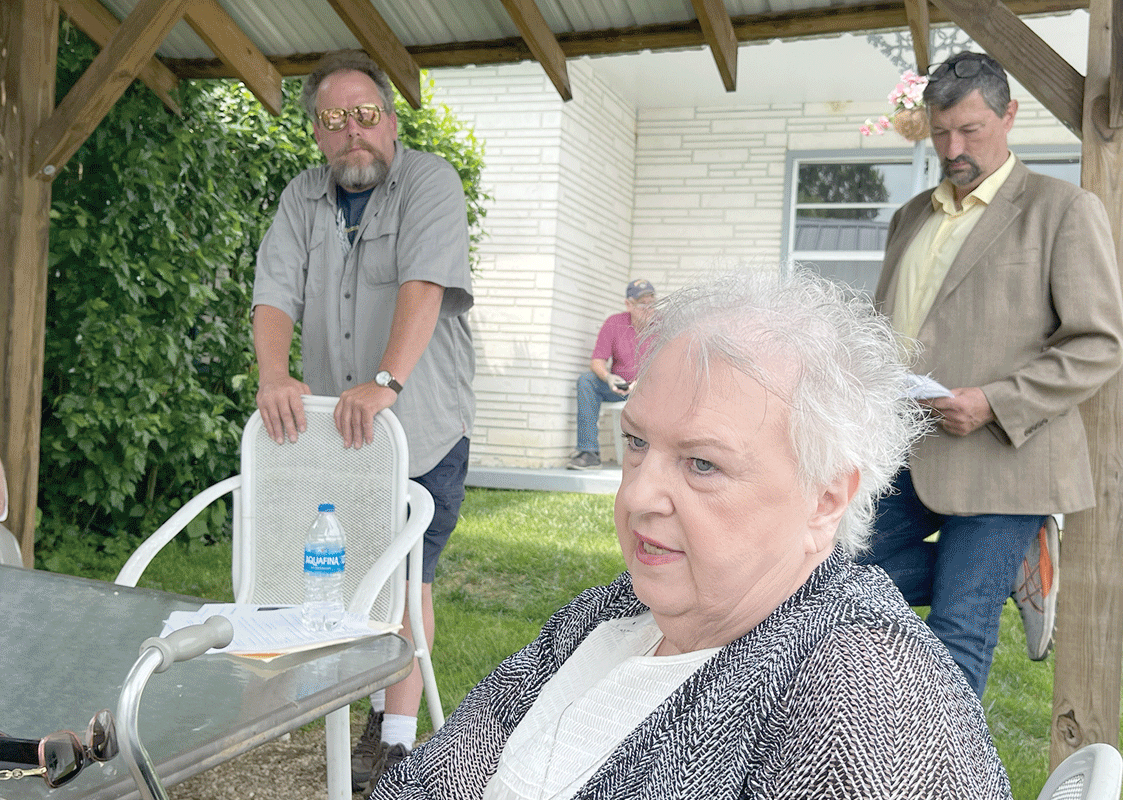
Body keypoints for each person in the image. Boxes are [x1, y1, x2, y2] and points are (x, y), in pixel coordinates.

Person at [371, 270, 1012, 800]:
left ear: (826, 500)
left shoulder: (870, 715)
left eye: (702, 463)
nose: (640, 496)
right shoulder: (611, 612)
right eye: (636, 443)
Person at [859, 51, 1123, 698]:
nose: (953, 147)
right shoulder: (910, 217)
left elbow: (1098, 343)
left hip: (1007, 455)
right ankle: (1015, 569)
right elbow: (888, 325)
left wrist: (995, 402)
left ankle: (945, 778)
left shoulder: (1062, 210)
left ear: (1009, 115)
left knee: (959, 629)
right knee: (834, 570)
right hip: (904, 448)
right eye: (941, 130)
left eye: (971, 130)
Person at [251, 50, 475, 794]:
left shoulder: (431, 181)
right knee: (337, 573)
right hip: (338, 438)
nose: (353, 132)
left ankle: (396, 737)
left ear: (390, 119)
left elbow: (423, 285)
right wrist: (274, 375)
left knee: (406, 576)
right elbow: (275, 291)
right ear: (316, 132)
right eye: (334, 119)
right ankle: (343, 707)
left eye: (365, 114)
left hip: (420, 421)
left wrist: (385, 381)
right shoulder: (299, 198)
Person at [566, 279, 656, 470]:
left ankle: (653, 460)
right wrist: (608, 377)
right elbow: (596, 361)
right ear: (628, 304)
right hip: (620, 387)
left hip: (651, 389)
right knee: (587, 381)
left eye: (652, 303)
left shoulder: (662, 326)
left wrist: (641, 382)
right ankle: (588, 453)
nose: (648, 308)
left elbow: (668, 366)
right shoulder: (615, 323)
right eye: (642, 304)